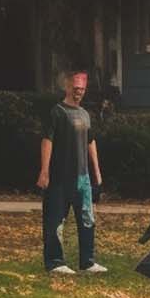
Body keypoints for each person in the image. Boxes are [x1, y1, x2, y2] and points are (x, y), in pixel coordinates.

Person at [38, 71, 106, 275]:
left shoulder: (85, 114)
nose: (79, 93)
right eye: (76, 89)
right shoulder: (57, 112)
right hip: (59, 177)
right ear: (67, 88)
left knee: (87, 219)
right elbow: (47, 140)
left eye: (82, 90)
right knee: (55, 220)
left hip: (82, 177)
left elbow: (90, 142)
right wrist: (44, 171)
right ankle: (55, 262)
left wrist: (97, 172)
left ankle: (87, 261)